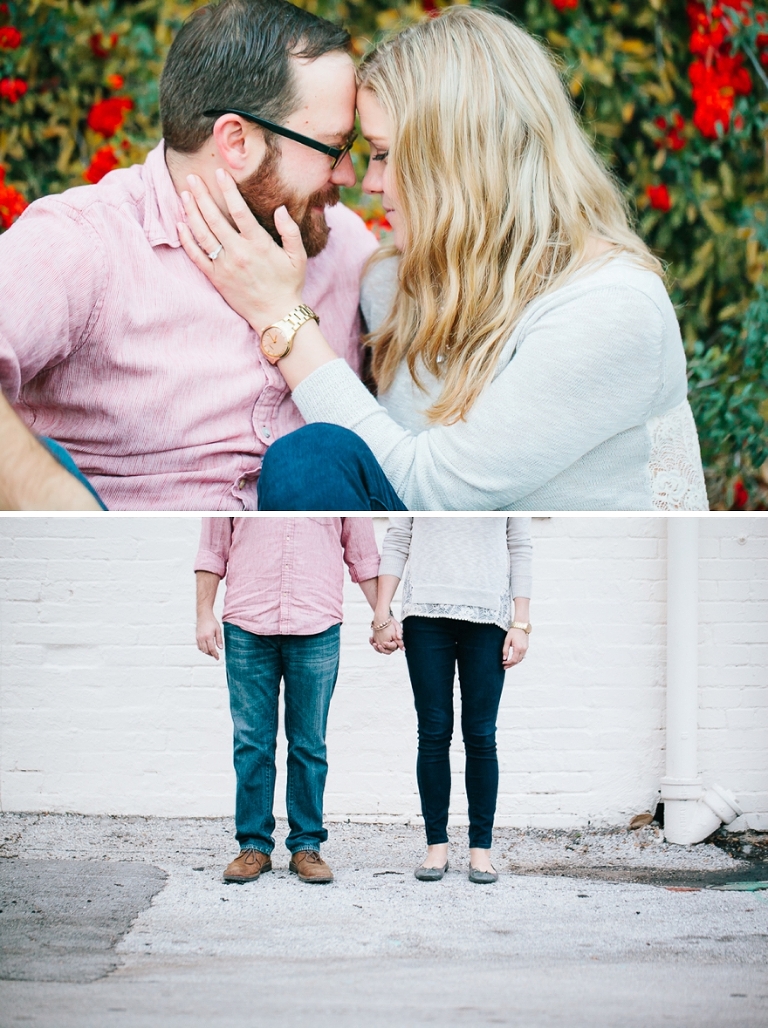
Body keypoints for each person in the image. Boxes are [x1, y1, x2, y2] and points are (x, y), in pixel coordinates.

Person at [179, 5, 709, 512]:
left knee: (306, 460)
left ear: (457, 161)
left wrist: (280, 315)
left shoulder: (609, 310)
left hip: (574, 583)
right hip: (408, 577)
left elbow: (430, 494)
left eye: (385, 154)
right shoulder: (389, 281)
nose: (368, 182)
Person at [0, 0, 377, 510]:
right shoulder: (86, 244)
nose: (349, 176)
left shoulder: (345, 245)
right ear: (236, 140)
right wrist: (53, 498)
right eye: (334, 148)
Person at [195, 516, 380, 883]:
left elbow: (363, 554)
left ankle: (307, 846)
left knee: (310, 744)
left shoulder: (337, 472)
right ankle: (254, 846)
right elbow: (213, 549)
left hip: (317, 624)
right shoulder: (242, 470)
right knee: (251, 743)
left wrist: (382, 616)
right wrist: (204, 613)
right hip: (248, 622)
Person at [371, 517, 532, 883]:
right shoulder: (420, 469)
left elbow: (520, 544)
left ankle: (481, 850)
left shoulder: (504, 469)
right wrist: (382, 611)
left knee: (480, 735)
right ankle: (436, 847)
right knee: (432, 732)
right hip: (425, 615)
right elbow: (398, 538)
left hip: (488, 617)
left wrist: (520, 622)